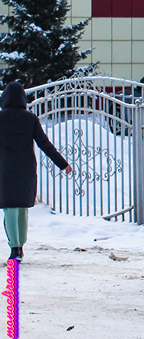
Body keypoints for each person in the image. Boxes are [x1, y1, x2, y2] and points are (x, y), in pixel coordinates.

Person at [0, 82, 71, 261]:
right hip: (26, 169)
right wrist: (63, 164)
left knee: (10, 209)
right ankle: (20, 247)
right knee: (22, 208)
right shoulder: (30, 118)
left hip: (5, 169)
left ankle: (14, 247)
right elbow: (44, 144)